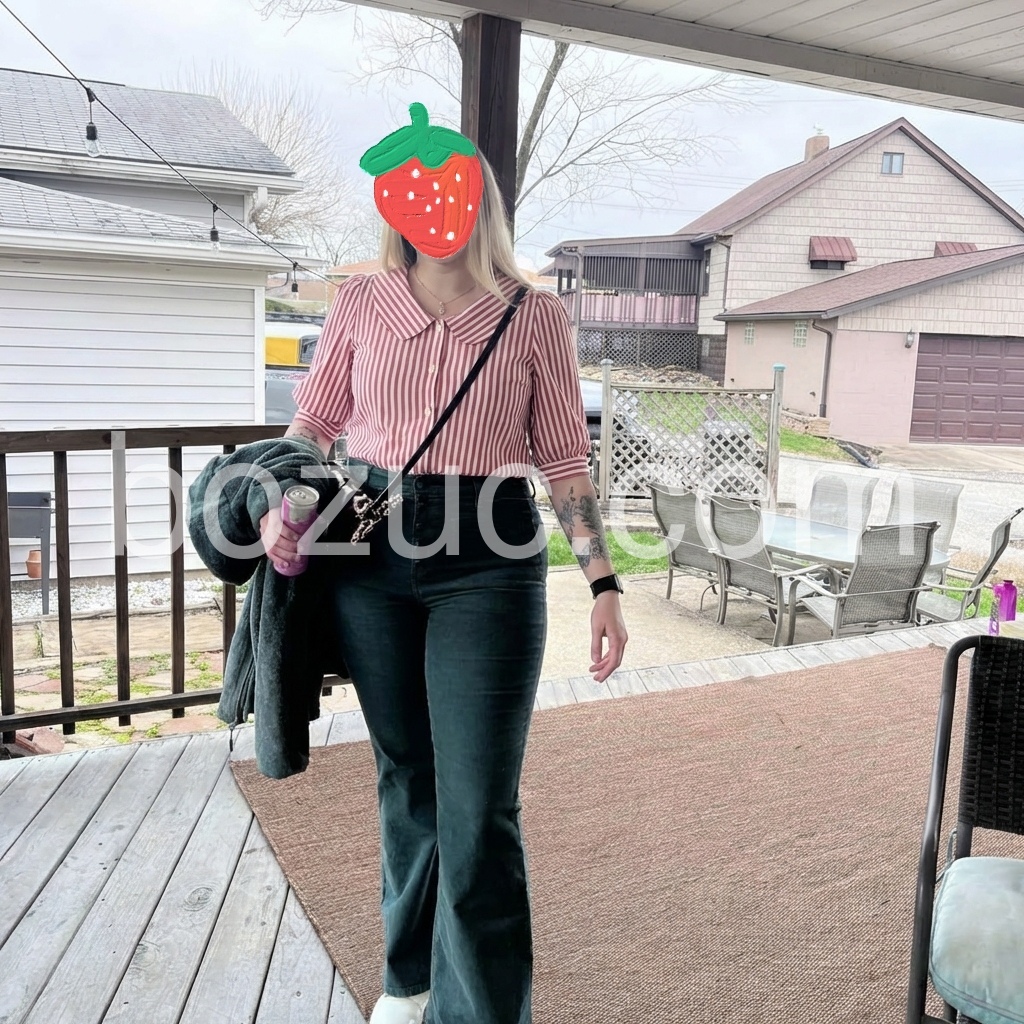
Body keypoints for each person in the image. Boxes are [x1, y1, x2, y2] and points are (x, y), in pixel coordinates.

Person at [261, 152, 628, 1024]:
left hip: (489, 561)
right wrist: (283, 499)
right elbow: (313, 426)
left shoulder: (534, 315)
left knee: (479, 805)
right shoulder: (361, 301)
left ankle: (481, 1013)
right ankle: (409, 980)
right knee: (408, 780)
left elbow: (563, 461)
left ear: (480, 200)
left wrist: (603, 582)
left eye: (448, 187)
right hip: (371, 556)